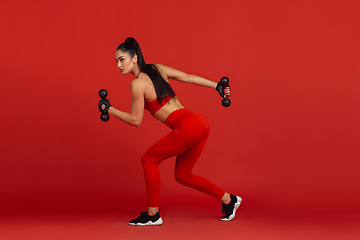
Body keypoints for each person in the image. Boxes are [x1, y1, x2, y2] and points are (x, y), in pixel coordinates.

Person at [99, 37, 242, 226]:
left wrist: (110, 109)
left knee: (148, 160)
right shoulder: (158, 69)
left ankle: (153, 214)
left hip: (187, 126)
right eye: (116, 61)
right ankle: (229, 200)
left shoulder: (137, 84)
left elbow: (135, 120)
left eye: (121, 59)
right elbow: (188, 77)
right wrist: (217, 86)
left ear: (134, 58)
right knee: (183, 175)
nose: (118, 65)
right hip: (199, 121)